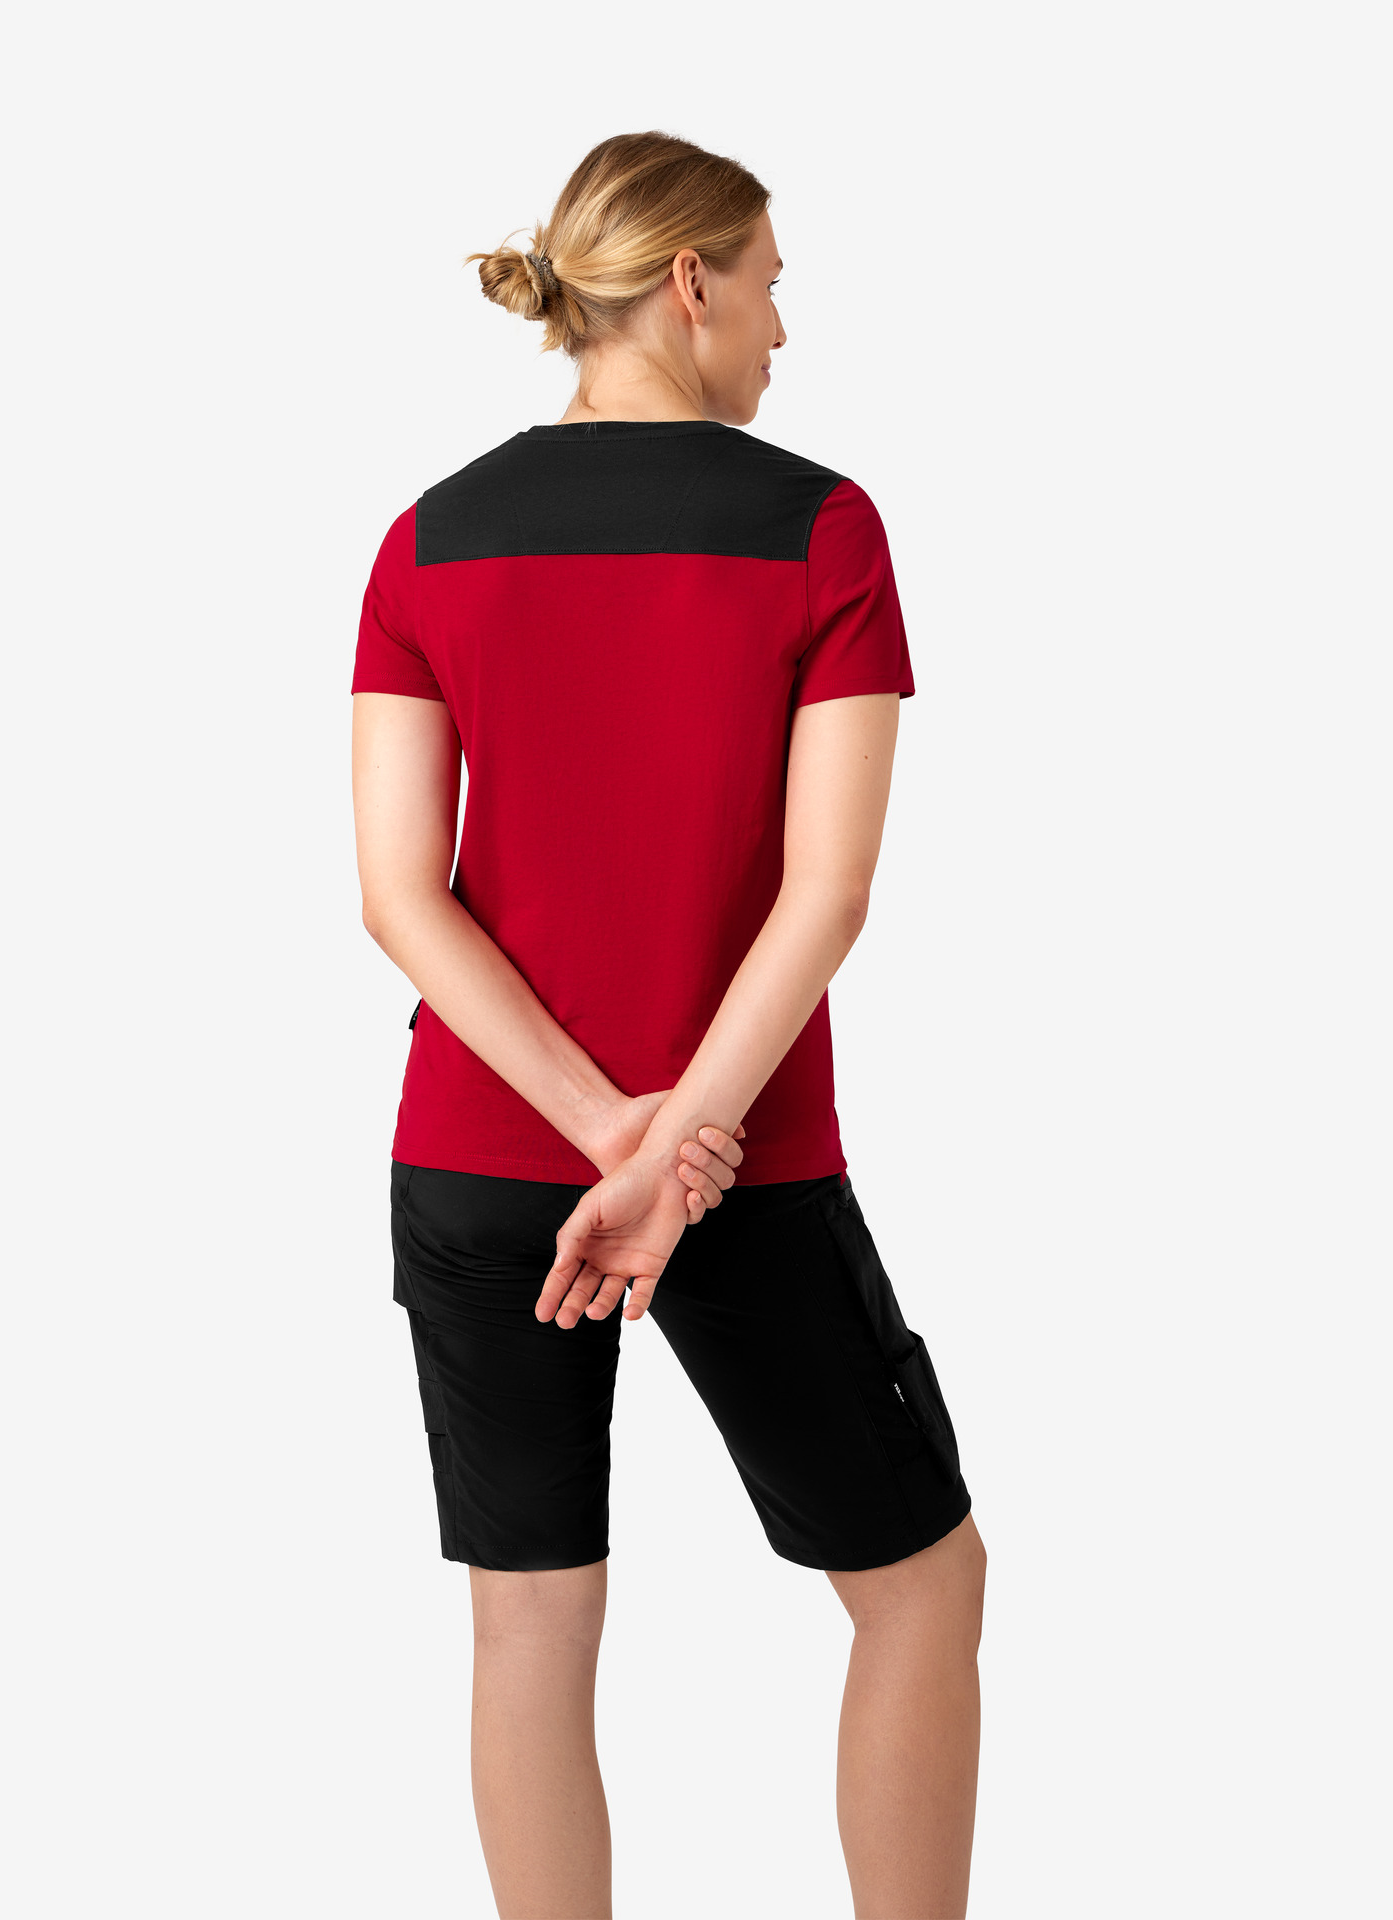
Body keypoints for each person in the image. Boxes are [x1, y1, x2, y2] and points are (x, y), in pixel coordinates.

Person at [353, 131, 985, 1920]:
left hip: (482, 1162)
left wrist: (601, 1134)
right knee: (923, 1587)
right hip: (743, 1162)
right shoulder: (823, 528)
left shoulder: (425, 538)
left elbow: (400, 895)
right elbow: (827, 894)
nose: (784, 326)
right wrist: (677, 1149)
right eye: (771, 282)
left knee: (528, 1627)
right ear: (692, 282)